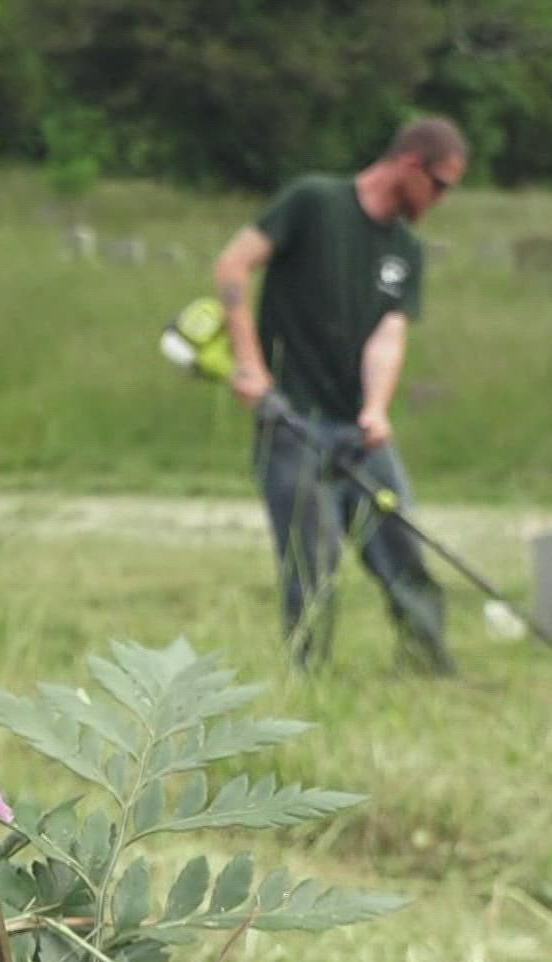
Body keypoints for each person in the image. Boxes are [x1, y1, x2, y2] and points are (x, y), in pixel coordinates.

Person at [212, 117, 468, 674]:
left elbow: (389, 332)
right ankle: (310, 674)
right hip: (291, 420)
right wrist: (252, 368)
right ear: (410, 165)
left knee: (400, 540)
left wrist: (376, 407)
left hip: (359, 429)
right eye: (442, 184)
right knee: (312, 557)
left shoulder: (406, 250)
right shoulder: (314, 202)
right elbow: (234, 263)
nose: (443, 199)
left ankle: (428, 662)